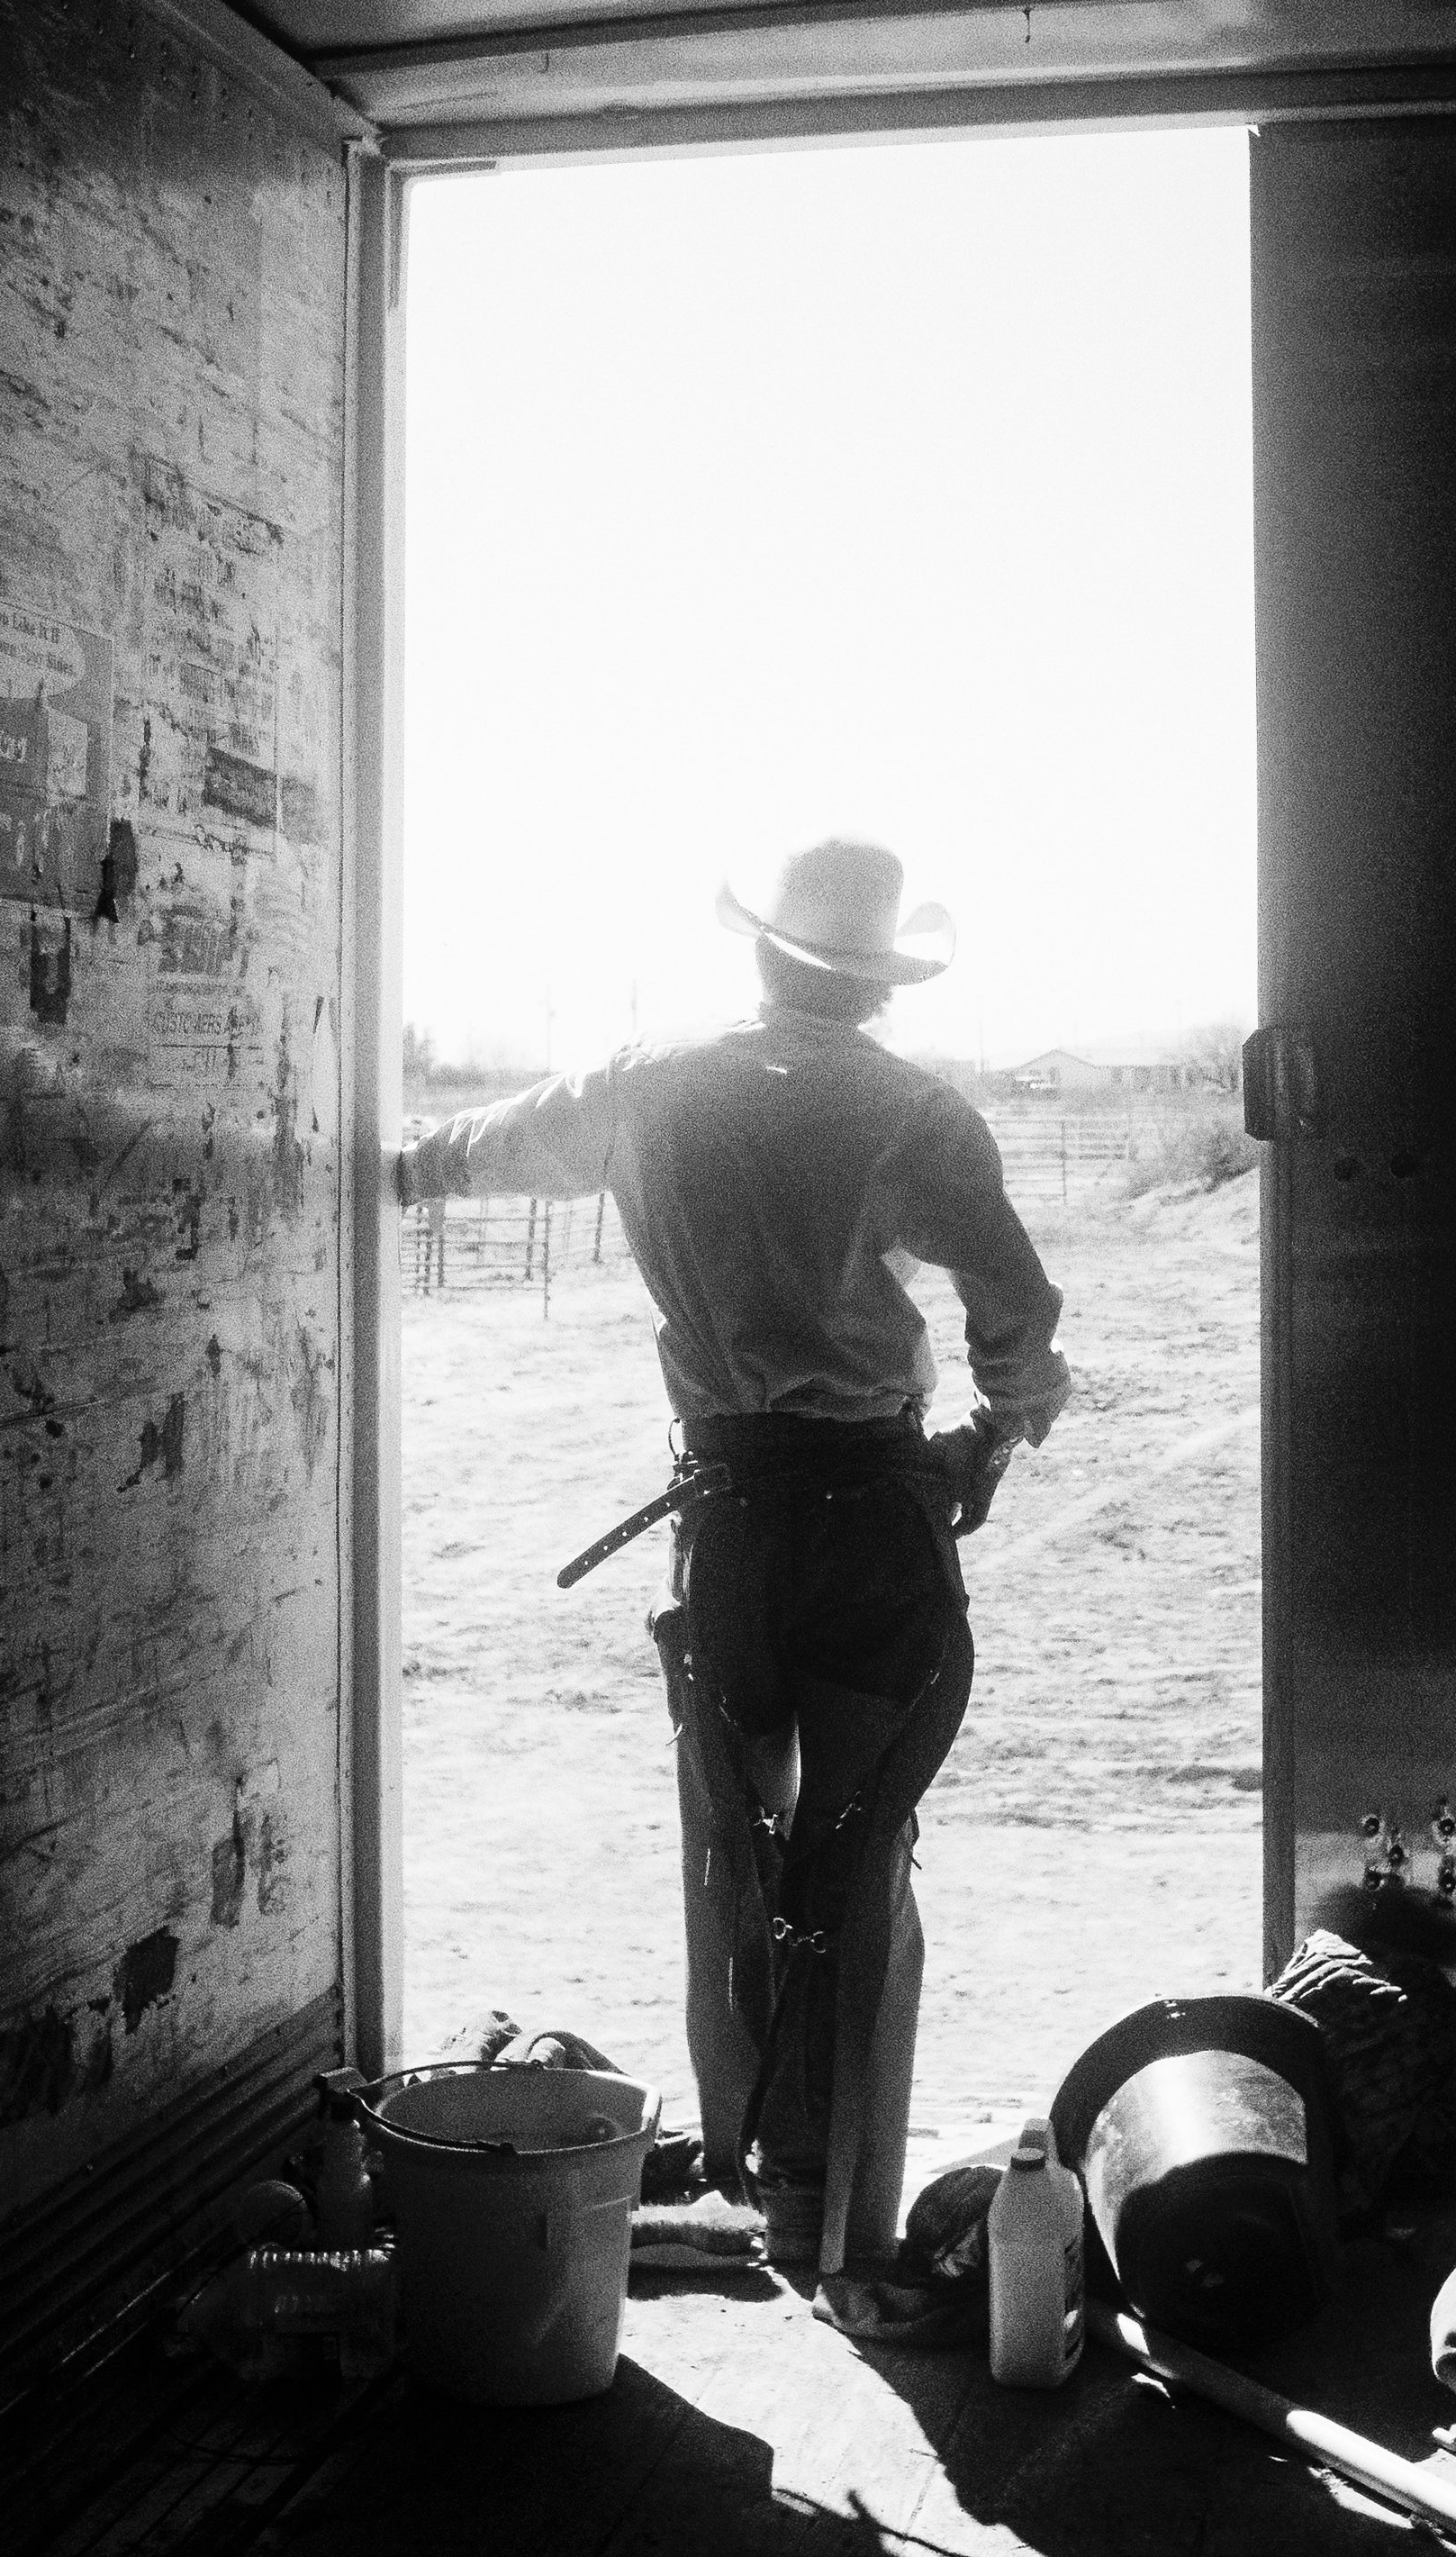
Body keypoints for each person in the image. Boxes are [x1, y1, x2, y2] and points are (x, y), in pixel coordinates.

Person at [394, 839, 1071, 2279]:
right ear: (882, 978)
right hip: (878, 1528)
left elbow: (457, 1154)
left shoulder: (646, 1081)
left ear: (758, 951)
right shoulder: (912, 1113)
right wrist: (992, 1435)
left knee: (726, 1847)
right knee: (857, 1858)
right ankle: (846, 2220)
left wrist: (377, 1158)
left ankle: (755, 2176)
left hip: (734, 1524)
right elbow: (1014, 1307)